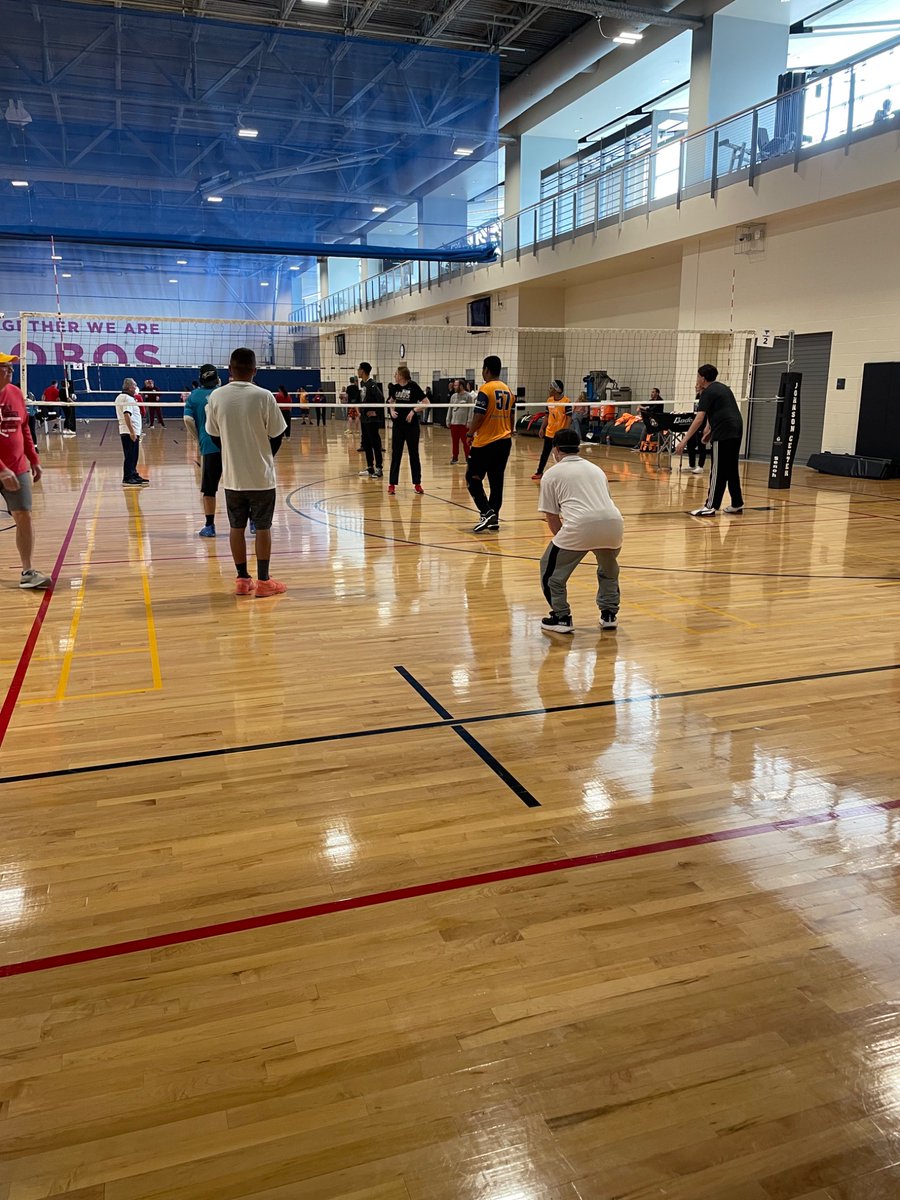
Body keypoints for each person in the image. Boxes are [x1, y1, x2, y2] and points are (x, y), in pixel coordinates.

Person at [205, 347, 287, 596]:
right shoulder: (264, 396)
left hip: (233, 478)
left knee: (236, 527)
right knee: (263, 528)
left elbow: (213, 435)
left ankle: (242, 579)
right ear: (255, 370)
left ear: (229, 369)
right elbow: (277, 434)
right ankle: (263, 582)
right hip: (261, 478)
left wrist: (232, 454)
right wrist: (264, 456)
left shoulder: (216, 396)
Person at [538, 428, 624, 635]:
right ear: (578, 447)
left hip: (580, 525)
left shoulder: (551, 474)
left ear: (556, 449)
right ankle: (609, 615)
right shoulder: (596, 469)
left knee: (551, 573)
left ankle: (561, 617)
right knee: (608, 571)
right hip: (613, 524)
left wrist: (567, 543)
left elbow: (552, 517)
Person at [0, 353, 51, 589]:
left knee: (24, 516)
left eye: (11, 366)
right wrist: (2, 469)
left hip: (17, 466)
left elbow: (24, 428)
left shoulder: (15, 393)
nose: (11, 370)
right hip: (4, 468)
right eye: (5, 366)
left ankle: (28, 571)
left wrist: (34, 459)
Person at [677, 363, 744, 516]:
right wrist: (709, 428)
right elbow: (718, 411)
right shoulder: (723, 388)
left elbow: (699, 418)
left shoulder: (707, 392)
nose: (697, 379)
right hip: (736, 429)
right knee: (731, 469)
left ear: (703, 378)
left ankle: (710, 506)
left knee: (718, 469)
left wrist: (684, 440)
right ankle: (737, 503)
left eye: (698, 376)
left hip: (724, 432)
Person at [467, 355, 515, 533]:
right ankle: (494, 517)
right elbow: (511, 416)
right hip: (504, 441)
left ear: (486, 370)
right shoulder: (508, 390)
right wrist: (508, 430)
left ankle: (487, 512)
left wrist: (470, 433)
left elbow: (479, 415)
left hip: (485, 443)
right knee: (496, 480)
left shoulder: (486, 389)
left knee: (472, 478)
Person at [183, 364, 222, 538]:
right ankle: (252, 522)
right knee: (240, 486)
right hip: (231, 445)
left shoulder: (194, 396)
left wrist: (198, 438)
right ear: (217, 378)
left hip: (209, 445)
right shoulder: (224, 393)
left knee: (209, 489)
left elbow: (187, 419)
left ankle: (210, 526)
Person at [387, 366, 428, 496]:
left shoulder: (413, 386)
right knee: (396, 454)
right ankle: (392, 484)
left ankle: (417, 484)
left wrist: (413, 411)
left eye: (396, 374)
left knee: (414, 454)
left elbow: (426, 402)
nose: (394, 376)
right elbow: (390, 401)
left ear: (401, 375)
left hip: (412, 426)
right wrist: (391, 410)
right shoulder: (394, 388)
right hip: (398, 426)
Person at [532, 379, 572, 480]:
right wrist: (542, 428)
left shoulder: (566, 401)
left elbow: (569, 418)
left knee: (562, 455)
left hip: (560, 434)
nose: (549, 390)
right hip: (549, 433)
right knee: (545, 454)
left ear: (557, 390)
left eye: (551, 388)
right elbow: (547, 416)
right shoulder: (549, 400)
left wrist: (565, 431)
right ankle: (539, 472)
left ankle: (564, 473)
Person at [115, 378, 149, 487]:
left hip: (129, 431)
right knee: (130, 455)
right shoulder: (127, 398)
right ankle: (128, 478)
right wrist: (132, 432)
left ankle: (133, 474)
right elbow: (127, 414)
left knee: (133, 455)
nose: (136, 387)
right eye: (135, 385)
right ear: (130, 387)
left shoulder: (122, 397)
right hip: (129, 431)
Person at [357, 361, 385, 479]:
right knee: (366, 444)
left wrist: (375, 412)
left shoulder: (372, 384)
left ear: (363, 371)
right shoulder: (362, 384)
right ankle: (370, 467)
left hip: (372, 420)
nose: (357, 371)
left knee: (375, 443)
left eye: (358, 369)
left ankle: (379, 468)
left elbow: (381, 399)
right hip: (364, 419)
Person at [447, 379, 473, 464]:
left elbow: (471, 409)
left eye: (455, 385)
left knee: (466, 442)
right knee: (454, 442)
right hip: (454, 423)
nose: (454, 387)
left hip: (463, 423)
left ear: (461, 386)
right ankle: (455, 457)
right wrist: (448, 420)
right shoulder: (453, 396)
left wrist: (469, 421)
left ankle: (468, 458)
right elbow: (450, 408)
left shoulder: (468, 396)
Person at [685, 392, 708, 474]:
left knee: (701, 445)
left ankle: (700, 466)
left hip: (703, 424)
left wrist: (707, 427)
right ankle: (692, 465)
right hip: (696, 423)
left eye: (697, 385)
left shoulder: (706, 395)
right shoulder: (697, 396)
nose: (696, 386)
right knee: (690, 443)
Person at [344, 374, 361, 446]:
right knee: (357, 416)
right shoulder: (357, 387)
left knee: (350, 416)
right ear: (354, 381)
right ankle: (357, 430)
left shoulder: (348, 387)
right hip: (356, 403)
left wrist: (346, 401)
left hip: (350, 403)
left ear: (350, 381)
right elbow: (358, 395)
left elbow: (346, 396)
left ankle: (350, 429)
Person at [59, 373, 77, 438]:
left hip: (63, 405)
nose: (69, 384)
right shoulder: (66, 391)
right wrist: (73, 402)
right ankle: (69, 429)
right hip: (67, 405)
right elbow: (68, 399)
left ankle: (65, 429)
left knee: (67, 417)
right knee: (69, 417)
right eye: (68, 383)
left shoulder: (60, 390)